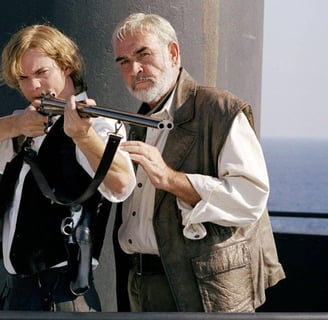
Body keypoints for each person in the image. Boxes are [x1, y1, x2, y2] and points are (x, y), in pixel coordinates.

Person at [111, 13, 285, 312]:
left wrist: (170, 179)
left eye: (143, 54)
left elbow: (250, 197)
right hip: (138, 284)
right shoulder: (136, 122)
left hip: (204, 291)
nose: (134, 68)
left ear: (173, 53)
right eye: (123, 61)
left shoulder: (219, 109)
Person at [0, 24, 136, 311]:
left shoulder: (100, 125)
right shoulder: (20, 123)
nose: (33, 86)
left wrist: (84, 136)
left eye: (41, 73)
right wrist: (15, 125)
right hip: (17, 292)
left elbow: (121, 184)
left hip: (65, 295)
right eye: (24, 78)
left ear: (67, 66)